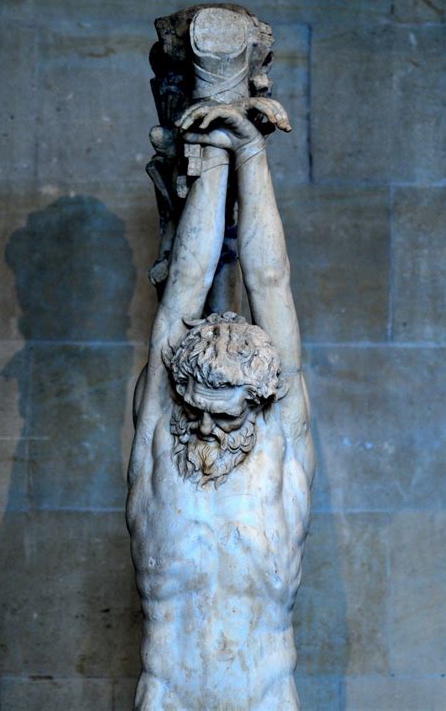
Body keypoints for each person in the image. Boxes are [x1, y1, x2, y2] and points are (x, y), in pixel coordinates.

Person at [127, 97, 315, 710]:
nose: (204, 425)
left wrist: (251, 153)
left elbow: (270, 282)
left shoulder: (279, 436)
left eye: (225, 412)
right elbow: (184, 281)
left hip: (264, 696)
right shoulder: (162, 433)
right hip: (168, 695)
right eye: (195, 406)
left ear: (258, 401)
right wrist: (208, 155)